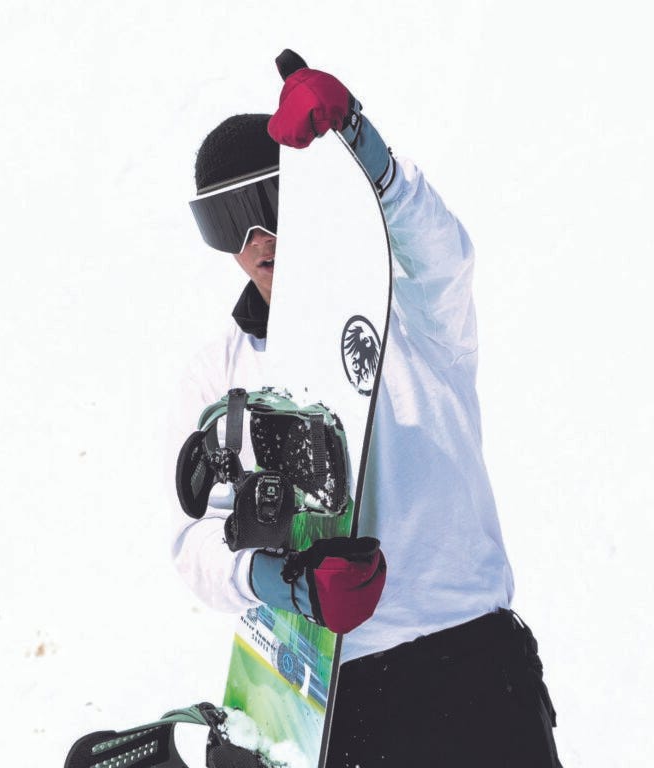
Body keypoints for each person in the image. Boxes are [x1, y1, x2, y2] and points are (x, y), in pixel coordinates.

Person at [174, 52, 562, 767]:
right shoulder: (223, 372)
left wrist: (359, 139)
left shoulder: (411, 313)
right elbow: (193, 541)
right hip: (333, 691)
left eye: (264, 209)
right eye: (224, 225)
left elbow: (443, 251)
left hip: (471, 651)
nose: (254, 243)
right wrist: (280, 581)